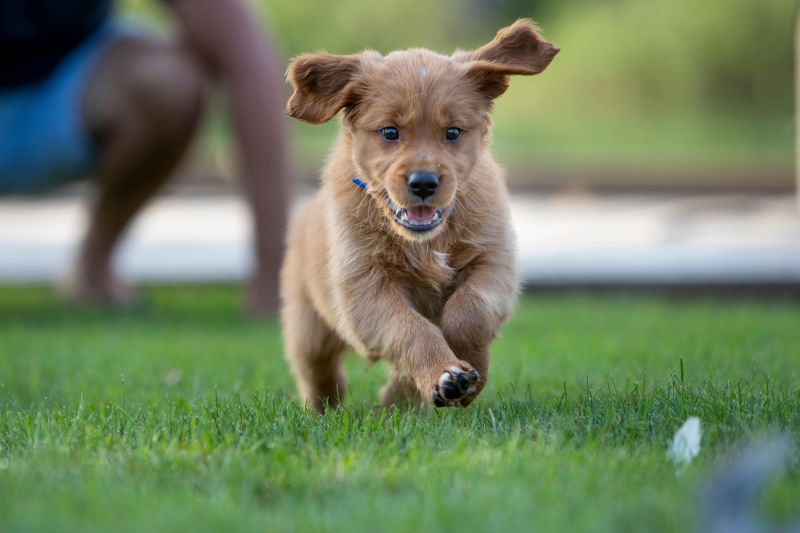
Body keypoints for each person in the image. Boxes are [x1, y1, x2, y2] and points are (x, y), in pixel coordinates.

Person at [0, 0, 288, 315]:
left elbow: (243, 51)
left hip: (63, 90)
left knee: (166, 82)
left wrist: (277, 278)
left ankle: (93, 267)